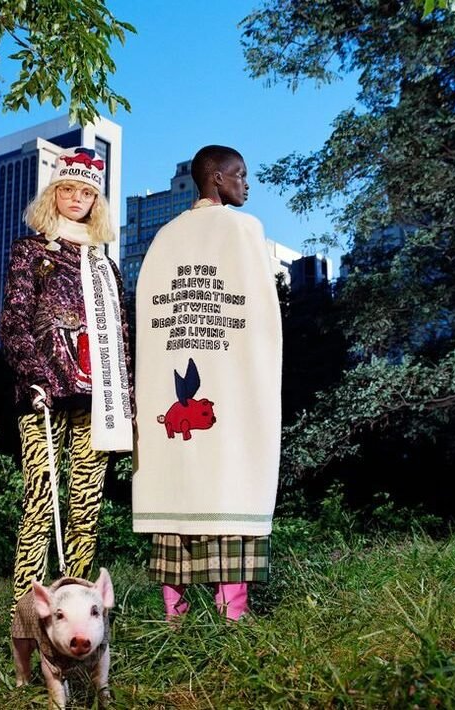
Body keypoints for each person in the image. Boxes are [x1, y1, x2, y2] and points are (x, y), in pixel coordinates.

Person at [132, 145, 282, 622]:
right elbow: (262, 316)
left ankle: (173, 619)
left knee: (177, 486)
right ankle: (231, 617)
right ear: (216, 178)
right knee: (231, 481)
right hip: (232, 377)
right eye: (240, 174)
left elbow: (151, 318)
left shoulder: (164, 238)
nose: (246, 184)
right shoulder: (245, 229)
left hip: (174, 369)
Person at [0, 147, 133, 615]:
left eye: (87, 193)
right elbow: (13, 321)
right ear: (54, 193)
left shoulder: (105, 266)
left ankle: (76, 608)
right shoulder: (30, 251)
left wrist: (129, 401)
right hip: (44, 393)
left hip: (100, 398)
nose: (77, 199)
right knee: (40, 502)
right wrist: (33, 374)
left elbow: (122, 336)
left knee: (85, 508)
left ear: (97, 202)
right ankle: (27, 615)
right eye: (68, 189)